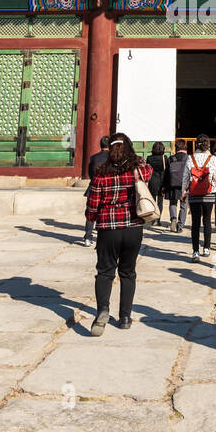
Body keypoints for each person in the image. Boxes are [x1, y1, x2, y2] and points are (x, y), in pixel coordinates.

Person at [84, 132, 152, 335]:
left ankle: (103, 310)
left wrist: (91, 217)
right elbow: (149, 170)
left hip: (108, 227)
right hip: (132, 227)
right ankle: (124, 317)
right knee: (128, 272)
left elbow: (93, 203)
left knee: (105, 272)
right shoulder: (137, 169)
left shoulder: (101, 172)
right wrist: (133, 157)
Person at [186, 135, 216, 263]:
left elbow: (186, 177)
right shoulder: (212, 159)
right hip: (209, 193)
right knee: (207, 221)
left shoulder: (190, 158)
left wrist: (184, 192)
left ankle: (195, 251)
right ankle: (206, 248)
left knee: (195, 223)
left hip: (194, 194)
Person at [81, 134, 111, 247]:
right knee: (106, 213)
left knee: (91, 212)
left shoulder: (93, 158)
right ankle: (103, 238)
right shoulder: (112, 158)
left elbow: (90, 173)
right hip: (107, 188)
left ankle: (88, 237)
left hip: (94, 186)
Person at [166, 140, 190, 232]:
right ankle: (180, 225)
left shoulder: (171, 158)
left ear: (176, 148)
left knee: (173, 203)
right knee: (183, 205)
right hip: (184, 185)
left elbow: (166, 174)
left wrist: (164, 186)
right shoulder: (188, 158)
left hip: (172, 184)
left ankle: (173, 218)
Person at [146, 141, 168, 228]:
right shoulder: (164, 158)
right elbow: (166, 171)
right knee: (160, 202)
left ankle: (153, 218)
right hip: (162, 182)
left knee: (153, 202)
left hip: (152, 182)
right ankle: (158, 219)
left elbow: (147, 170)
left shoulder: (149, 158)